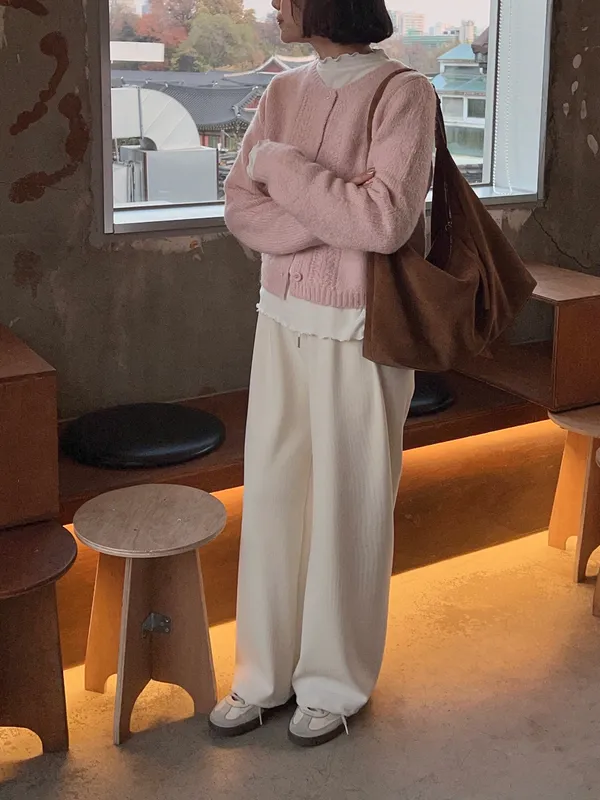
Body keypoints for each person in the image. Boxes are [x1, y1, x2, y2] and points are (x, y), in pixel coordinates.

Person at [209, 0, 436, 747]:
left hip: (363, 332)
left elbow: (384, 224)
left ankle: (334, 683)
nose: (275, 4)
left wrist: (281, 168)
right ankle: (262, 674)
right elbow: (240, 210)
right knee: (273, 498)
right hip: (279, 318)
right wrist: (337, 209)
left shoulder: (404, 93)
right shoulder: (282, 91)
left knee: (349, 507)